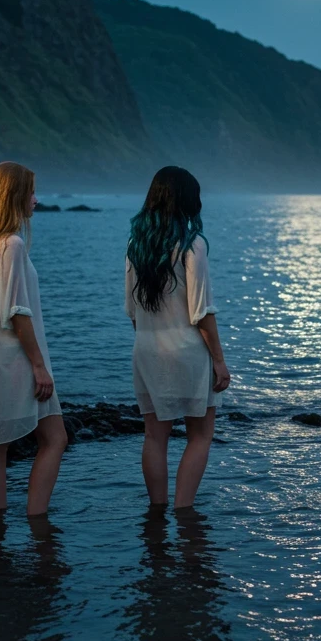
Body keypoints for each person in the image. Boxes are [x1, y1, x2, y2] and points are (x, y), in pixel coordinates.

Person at [0, 161, 66, 515]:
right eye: (31, 192)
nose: (36, 200)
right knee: (55, 439)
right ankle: (37, 520)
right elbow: (18, 314)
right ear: (15, 196)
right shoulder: (12, 245)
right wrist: (39, 366)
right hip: (16, 360)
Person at [125, 167, 230, 508]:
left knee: (155, 436)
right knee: (200, 436)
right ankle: (183, 511)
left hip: (147, 349)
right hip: (186, 350)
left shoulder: (134, 245)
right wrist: (219, 360)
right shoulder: (192, 245)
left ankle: (157, 511)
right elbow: (201, 312)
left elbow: (132, 312)